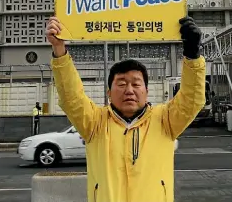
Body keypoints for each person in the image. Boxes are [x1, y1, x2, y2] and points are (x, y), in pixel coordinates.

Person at [46, 16, 206, 202]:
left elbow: (192, 99)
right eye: (121, 84)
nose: (129, 90)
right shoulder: (94, 123)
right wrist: (59, 49)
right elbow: (71, 97)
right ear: (109, 92)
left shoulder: (166, 120)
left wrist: (193, 55)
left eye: (136, 84)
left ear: (146, 91)